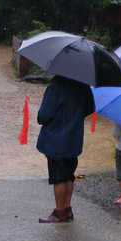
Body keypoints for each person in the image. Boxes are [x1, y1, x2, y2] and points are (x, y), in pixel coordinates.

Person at [36, 75, 95, 223]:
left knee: (58, 178)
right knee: (69, 175)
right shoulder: (83, 84)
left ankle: (59, 212)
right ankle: (67, 209)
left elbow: (43, 115)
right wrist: (74, 116)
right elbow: (90, 108)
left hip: (56, 140)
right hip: (74, 138)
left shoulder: (56, 85)